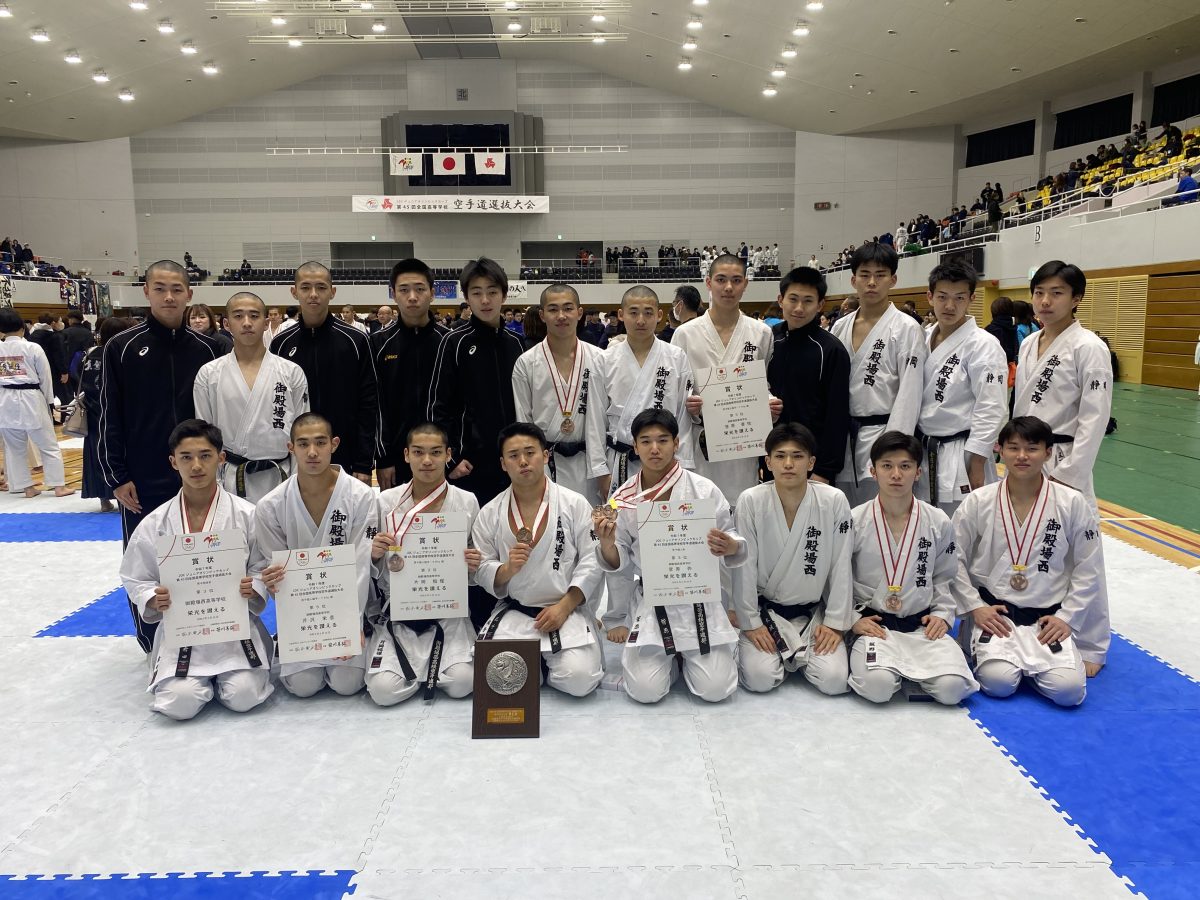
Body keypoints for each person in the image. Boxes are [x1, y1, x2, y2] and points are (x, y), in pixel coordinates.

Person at [100, 260, 221, 650]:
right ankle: (153, 643)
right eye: (160, 289)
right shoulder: (121, 347)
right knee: (146, 560)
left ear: (189, 294)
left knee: (204, 554)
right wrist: (117, 475)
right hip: (142, 475)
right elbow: (108, 413)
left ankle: (209, 632)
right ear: (146, 292)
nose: (169, 297)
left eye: (176, 289)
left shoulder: (209, 349)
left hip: (199, 471)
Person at [119, 419, 274, 721]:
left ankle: (231, 676)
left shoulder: (247, 515)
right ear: (173, 462)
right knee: (179, 703)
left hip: (234, 631)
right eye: (186, 457)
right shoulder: (157, 522)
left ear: (221, 458)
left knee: (243, 696)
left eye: (205, 456)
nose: (196, 466)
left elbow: (263, 564)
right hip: (184, 633)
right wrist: (152, 597)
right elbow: (135, 575)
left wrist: (254, 585)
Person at [596, 409, 745, 703]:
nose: (655, 448)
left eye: (663, 440)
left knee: (716, 689)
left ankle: (686, 657)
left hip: (698, 598)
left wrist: (729, 546)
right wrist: (607, 544)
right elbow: (618, 561)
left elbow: (732, 536)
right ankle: (675, 660)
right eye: (646, 441)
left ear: (677, 443)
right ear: (635, 446)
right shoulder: (622, 498)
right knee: (645, 691)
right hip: (654, 599)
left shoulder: (703, 489)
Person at [952, 416, 1102, 707]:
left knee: (1069, 692)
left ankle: (1032, 663)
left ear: (1048, 452)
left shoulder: (1071, 502)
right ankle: (972, 633)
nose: (1022, 456)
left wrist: (1067, 617)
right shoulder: (979, 500)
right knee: (998, 683)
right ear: (999, 450)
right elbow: (952, 556)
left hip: (1047, 618)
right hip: (996, 616)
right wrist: (974, 607)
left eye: (1032, 448)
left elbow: (1088, 565)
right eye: (1013, 448)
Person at [1011, 261, 1111, 675]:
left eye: (1056, 293)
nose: (1045, 301)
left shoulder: (1089, 347)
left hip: (1066, 459)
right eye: (1039, 293)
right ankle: (1039, 622)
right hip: (1027, 457)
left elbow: (1095, 418)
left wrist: (1071, 474)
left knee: (1083, 550)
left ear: (1076, 298)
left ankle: (1092, 644)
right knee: (1037, 544)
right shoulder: (1029, 343)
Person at [473, 422, 605, 698]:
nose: (523, 461)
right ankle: (541, 667)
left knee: (580, 680)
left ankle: (542, 665)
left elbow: (592, 560)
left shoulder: (574, 503)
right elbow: (481, 568)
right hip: (516, 612)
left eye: (530, 452)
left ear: (545, 456)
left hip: (565, 610)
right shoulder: (490, 512)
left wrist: (565, 606)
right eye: (513, 455)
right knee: (500, 681)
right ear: (503, 464)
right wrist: (506, 569)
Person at [848, 431, 978, 705]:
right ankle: (895, 672)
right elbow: (838, 576)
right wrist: (851, 619)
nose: (896, 474)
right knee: (878, 688)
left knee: (953, 689)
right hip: (875, 626)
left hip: (921, 626)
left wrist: (942, 614)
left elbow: (944, 575)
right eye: (887, 466)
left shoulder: (938, 520)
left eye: (905, 466)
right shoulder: (855, 520)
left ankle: (912, 673)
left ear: (918, 472)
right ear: (873, 471)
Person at [253, 413, 376, 698]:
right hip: (303, 615)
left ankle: (365, 634)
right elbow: (276, 568)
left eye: (320, 443)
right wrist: (272, 582)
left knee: (347, 683)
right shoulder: (270, 505)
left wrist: (351, 625)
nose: (312, 452)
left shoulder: (361, 496)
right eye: (303, 444)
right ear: (290, 448)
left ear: (334, 444)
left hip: (347, 609)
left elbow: (360, 564)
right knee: (303, 686)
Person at [735, 423, 853, 695]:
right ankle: (783, 655)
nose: (788, 464)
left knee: (834, 681)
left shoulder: (834, 500)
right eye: (780, 456)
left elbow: (841, 564)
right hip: (767, 614)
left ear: (811, 462)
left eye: (797, 456)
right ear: (768, 462)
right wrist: (750, 623)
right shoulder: (750, 500)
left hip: (813, 616)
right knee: (760, 679)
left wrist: (835, 623)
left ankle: (798, 654)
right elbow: (744, 565)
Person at [366, 423, 480, 705]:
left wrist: (474, 563)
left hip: (448, 613)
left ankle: (425, 671)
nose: (427, 460)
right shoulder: (386, 501)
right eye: (418, 452)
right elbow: (372, 568)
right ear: (406, 455)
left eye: (435, 452)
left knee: (463, 683)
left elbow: (475, 567)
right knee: (383, 692)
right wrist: (374, 555)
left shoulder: (467, 501)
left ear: (448, 455)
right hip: (400, 613)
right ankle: (425, 672)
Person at [672, 253, 776, 503]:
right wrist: (690, 404)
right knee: (702, 509)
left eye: (736, 280)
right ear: (708, 283)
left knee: (741, 508)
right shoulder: (685, 334)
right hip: (700, 441)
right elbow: (675, 393)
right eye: (721, 280)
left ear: (745, 284)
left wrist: (770, 403)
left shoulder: (761, 333)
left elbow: (764, 383)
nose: (728, 287)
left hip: (743, 441)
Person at [830, 242, 926, 506]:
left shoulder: (906, 328)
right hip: (843, 438)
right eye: (865, 275)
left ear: (893, 280)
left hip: (883, 433)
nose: (872, 282)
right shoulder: (840, 327)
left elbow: (910, 393)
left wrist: (894, 451)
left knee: (882, 515)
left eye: (880, 275)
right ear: (853, 280)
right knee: (845, 515)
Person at [193, 292, 310, 503]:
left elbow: (302, 433)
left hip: (281, 477)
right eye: (238, 316)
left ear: (266, 323)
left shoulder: (291, 372)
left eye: (254, 316)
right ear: (226, 324)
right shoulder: (209, 374)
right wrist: (213, 483)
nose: (247, 323)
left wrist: (299, 481)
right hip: (231, 478)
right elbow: (204, 435)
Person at [270, 262, 380, 484]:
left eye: (321, 287)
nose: (313, 294)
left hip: (346, 453)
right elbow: (275, 404)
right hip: (296, 457)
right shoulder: (281, 344)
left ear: (332, 291)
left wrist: (363, 462)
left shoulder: (356, 340)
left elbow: (369, 403)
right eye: (305, 287)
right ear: (294, 292)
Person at [428, 257, 525, 506]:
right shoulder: (454, 342)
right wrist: (451, 459)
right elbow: (438, 406)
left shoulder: (516, 343)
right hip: (469, 464)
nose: (485, 300)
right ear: (467, 297)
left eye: (492, 292)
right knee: (470, 529)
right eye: (477, 293)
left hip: (514, 461)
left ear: (504, 295)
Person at [916, 261, 1008, 518]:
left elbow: (992, 407)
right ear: (930, 296)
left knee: (963, 525)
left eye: (959, 298)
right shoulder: (922, 337)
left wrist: (977, 460)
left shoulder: (984, 345)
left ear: (971, 299)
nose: (949, 306)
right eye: (942, 297)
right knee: (926, 523)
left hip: (963, 452)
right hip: (924, 448)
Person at [512, 284, 609, 503]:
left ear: (579, 312)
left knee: (590, 521)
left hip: (591, 464)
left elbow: (607, 417)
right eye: (553, 309)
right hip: (546, 464)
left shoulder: (600, 359)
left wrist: (603, 468)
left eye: (568, 308)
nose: (561, 316)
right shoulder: (526, 363)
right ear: (542, 315)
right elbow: (523, 421)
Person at [766, 267, 850, 485]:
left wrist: (825, 470)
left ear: (820, 305)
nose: (799, 308)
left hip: (811, 462)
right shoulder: (768, 340)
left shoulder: (831, 350)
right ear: (781, 300)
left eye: (808, 301)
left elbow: (837, 415)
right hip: (771, 458)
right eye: (793, 299)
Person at [372, 259, 449, 491]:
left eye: (420, 289)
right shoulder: (378, 343)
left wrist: (453, 454)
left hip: (443, 456)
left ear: (432, 293)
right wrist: (383, 458)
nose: (412, 297)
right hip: (396, 458)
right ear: (393, 294)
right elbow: (375, 404)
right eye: (404, 290)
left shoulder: (449, 341)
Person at [0, 308, 75, 499]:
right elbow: (45, 378)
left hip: (5, 399)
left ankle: (26, 488)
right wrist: (50, 402)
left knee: (14, 448)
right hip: (31, 397)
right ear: (22, 327)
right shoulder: (32, 348)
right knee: (48, 444)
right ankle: (58, 486)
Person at [81, 317, 133, 512]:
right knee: (117, 454)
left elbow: (79, 377)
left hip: (92, 411)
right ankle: (121, 498)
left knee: (96, 455)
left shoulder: (89, 355)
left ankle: (103, 499)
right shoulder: (119, 353)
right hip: (113, 412)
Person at [984, 296, 1019, 368]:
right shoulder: (1013, 326)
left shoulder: (991, 329)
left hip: (993, 367)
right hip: (1010, 366)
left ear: (994, 310)